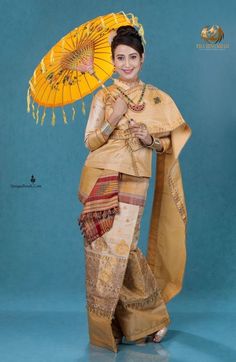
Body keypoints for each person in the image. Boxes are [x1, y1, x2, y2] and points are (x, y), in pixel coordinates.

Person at [77, 25, 192, 353]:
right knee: (101, 252)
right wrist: (112, 118)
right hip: (100, 174)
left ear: (142, 59)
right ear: (112, 62)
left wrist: (150, 139)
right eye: (119, 58)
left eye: (132, 57)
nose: (126, 64)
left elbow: (170, 141)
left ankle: (152, 318)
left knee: (123, 249)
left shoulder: (157, 97)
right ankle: (114, 325)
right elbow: (90, 142)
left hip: (135, 176)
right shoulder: (104, 96)